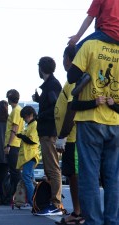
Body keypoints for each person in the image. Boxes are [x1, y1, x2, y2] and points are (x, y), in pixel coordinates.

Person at [67, 38, 119, 225]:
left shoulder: (90, 45)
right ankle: (113, 221)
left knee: (89, 175)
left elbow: (71, 76)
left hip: (90, 121)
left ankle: (94, 222)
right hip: (115, 123)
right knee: (113, 178)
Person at [54, 46, 84, 225]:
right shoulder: (70, 80)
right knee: (72, 175)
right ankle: (78, 212)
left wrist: (62, 136)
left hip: (72, 137)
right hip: (70, 137)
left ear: (69, 59)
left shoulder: (73, 78)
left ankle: (79, 213)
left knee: (75, 176)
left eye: (63, 58)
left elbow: (72, 110)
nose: (63, 62)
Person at [32, 56, 63, 216]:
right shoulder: (50, 85)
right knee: (51, 169)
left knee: (53, 169)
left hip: (49, 132)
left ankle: (56, 204)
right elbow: (52, 104)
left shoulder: (51, 85)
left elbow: (55, 108)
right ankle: (53, 203)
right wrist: (39, 100)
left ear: (41, 69)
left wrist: (40, 115)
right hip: (47, 132)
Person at [15, 106, 40, 207]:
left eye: (25, 117)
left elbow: (32, 140)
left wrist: (21, 136)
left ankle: (32, 201)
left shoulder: (34, 124)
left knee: (26, 178)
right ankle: (36, 199)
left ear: (30, 115)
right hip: (27, 156)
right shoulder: (29, 125)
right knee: (31, 178)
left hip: (31, 156)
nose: (24, 120)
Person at [5, 89, 24, 197]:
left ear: (8, 98)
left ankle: (18, 196)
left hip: (14, 144)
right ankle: (14, 195)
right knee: (13, 172)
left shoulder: (16, 110)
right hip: (14, 144)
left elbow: (15, 128)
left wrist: (8, 145)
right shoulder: (15, 110)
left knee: (15, 172)